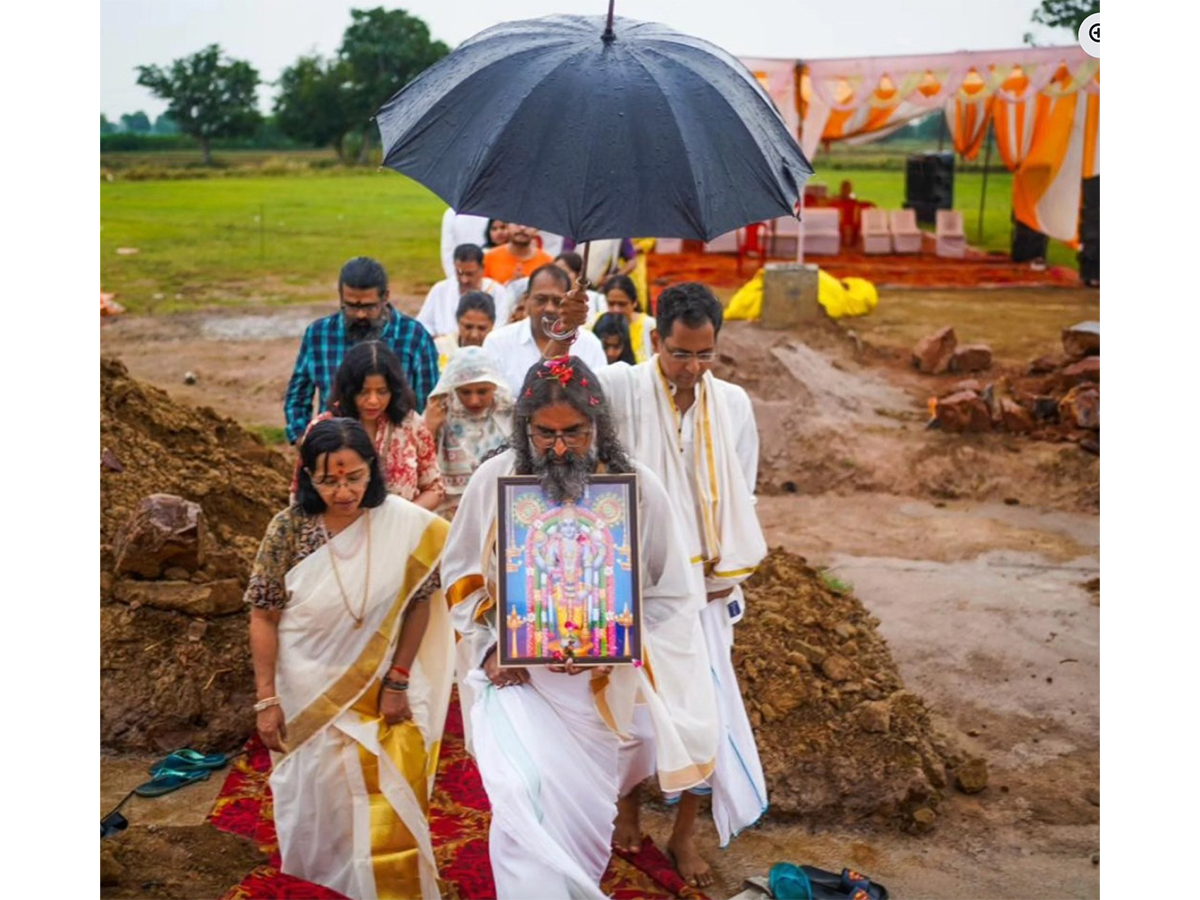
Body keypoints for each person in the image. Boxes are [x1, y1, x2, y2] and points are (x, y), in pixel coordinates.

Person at [440, 357, 718, 900]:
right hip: (515, 677)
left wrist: (615, 644)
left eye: (575, 433)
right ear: (524, 427)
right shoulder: (493, 480)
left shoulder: (637, 486)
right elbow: (460, 573)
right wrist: (493, 646)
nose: (561, 449)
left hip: (598, 690)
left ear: (599, 427)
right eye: (545, 434)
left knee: (580, 820)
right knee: (522, 794)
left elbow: (671, 594)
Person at [559, 281, 768, 888]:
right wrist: (568, 331)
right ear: (656, 341)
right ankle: (625, 812)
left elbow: (742, 493)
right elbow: (560, 389)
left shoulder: (731, 404)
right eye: (681, 354)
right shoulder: (621, 386)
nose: (693, 368)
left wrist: (722, 573)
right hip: (627, 584)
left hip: (703, 592)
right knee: (627, 712)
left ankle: (684, 833)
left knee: (702, 713)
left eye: (706, 355)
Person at [247, 417, 454, 900]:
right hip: (306, 687)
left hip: (380, 688)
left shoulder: (402, 522)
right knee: (316, 797)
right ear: (307, 478)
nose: (343, 491)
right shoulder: (289, 528)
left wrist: (399, 679)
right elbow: (263, 613)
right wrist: (266, 699)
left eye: (354, 477)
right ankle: (321, 885)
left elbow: (421, 600)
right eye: (328, 480)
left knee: (385, 793)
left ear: (373, 470)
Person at [284, 257, 439, 444]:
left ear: (385, 297)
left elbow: (429, 403)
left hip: (396, 451)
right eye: (351, 306)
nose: (360, 315)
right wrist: (303, 439)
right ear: (341, 297)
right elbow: (297, 395)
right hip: (333, 452)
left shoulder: (414, 337)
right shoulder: (319, 334)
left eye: (368, 307)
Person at [293, 342, 445, 511]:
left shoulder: (411, 425)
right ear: (349, 390)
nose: (373, 401)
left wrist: (402, 519)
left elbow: (434, 488)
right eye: (363, 392)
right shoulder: (322, 428)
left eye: (382, 391)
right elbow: (300, 492)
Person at [481, 264, 608, 394]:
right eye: (541, 300)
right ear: (526, 300)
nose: (549, 309)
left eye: (557, 301)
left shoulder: (590, 344)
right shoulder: (498, 342)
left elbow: (597, 396)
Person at [421, 345, 513, 516]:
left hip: (497, 506)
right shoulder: (440, 410)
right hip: (451, 511)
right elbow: (421, 463)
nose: (474, 400)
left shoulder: (507, 412)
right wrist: (430, 427)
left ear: (494, 385)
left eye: (482, 391)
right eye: (465, 392)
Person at [418, 244, 511, 339]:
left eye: (470, 274)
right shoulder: (440, 289)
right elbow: (423, 324)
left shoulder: (498, 292)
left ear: (482, 268)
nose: (464, 280)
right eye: (460, 273)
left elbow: (500, 329)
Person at [600, 275, 656, 364]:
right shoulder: (597, 323)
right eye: (611, 304)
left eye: (622, 304)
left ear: (634, 303)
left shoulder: (650, 326)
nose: (616, 310)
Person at [434, 291, 497, 370]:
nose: (474, 335)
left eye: (482, 328)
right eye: (468, 327)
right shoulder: (440, 348)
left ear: (492, 325)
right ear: (458, 321)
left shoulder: (499, 351)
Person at [483, 223, 554, 286]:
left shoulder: (548, 263)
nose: (522, 228)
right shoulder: (489, 258)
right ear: (507, 226)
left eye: (529, 223)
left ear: (537, 229)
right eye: (517, 223)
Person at [440, 208, 490, 280]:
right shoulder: (451, 214)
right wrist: (453, 277)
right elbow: (448, 249)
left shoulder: (492, 212)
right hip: (461, 269)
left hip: (488, 271)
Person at [554, 251, 606, 317]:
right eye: (555, 273)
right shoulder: (552, 303)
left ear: (578, 274)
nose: (558, 277)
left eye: (564, 272)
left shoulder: (597, 300)